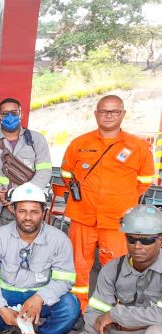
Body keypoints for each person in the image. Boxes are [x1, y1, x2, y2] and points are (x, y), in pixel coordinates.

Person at [60, 94, 156, 311]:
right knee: (77, 268)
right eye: (104, 111)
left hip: (117, 221)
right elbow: (67, 174)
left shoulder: (138, 146)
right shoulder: (80, 143)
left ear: (123, 114)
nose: (109, 115)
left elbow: (144, 182)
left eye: (114, 111)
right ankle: (77, 310)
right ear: (96, 114)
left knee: (117, 269)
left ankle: (112, 314)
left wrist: (120, 200)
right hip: (82, 217)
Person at [0, 183, 79, 334]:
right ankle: (5, 327)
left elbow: (65, 280)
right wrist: (2, 308)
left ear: (44, 212)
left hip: (40, 296)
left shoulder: (59, 240)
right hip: (7, 294)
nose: (28, 217)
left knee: (70, 307)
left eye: (34, 212)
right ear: (12, 210)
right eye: (22, 211)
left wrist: (40, 297)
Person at [64, 205, 162, 334]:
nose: (137, 246)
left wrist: (115, 314)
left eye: (146, 240)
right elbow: (94, 311)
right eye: (132, 239)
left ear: (160, 240)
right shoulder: (112, 269)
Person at [0, 98, 52, 243]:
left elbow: (44, 172)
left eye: (14, 113)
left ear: (21, 114)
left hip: (25, 211)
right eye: (5, 114)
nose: (10, 117)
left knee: (20, 252)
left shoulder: (36, 140)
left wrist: (22, 195)